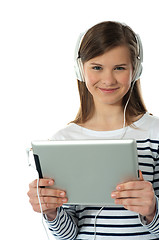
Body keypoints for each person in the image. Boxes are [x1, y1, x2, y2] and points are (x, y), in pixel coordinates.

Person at [27, 21, 159, 239]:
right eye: (97, 67)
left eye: (119, 68)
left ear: (135, 70)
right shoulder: (63, 141)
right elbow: (67, 235)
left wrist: (152, 210)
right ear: (81, 69)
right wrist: (51, 212)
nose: (108, 79)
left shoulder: (155, 134)